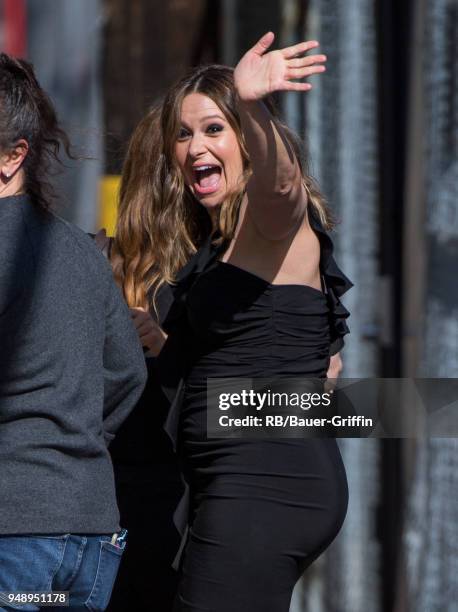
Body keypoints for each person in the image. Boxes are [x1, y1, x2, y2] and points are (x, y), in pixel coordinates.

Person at [0, 53, 147, 612]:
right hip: (88, 535)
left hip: (14, 536)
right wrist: (70, 443)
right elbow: (127, 373)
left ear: (16, 156)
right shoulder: (81, 253)